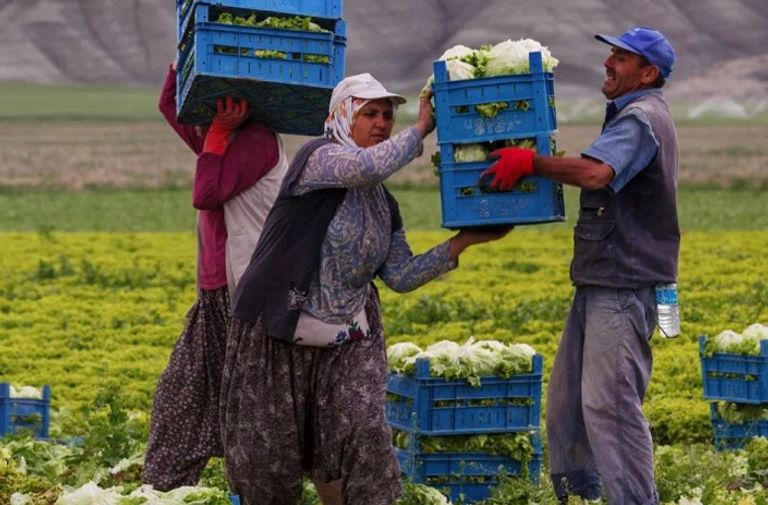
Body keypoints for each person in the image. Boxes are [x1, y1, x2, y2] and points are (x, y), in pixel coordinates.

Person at [219, 72, 510, 505]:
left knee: (364, 428)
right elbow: (365, 166)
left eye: (388, 116)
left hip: (347, 336)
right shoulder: (317, 159)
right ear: (341, 117)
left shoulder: (382, 203)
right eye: (370, 113)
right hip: (279, 330)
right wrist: (423, 128)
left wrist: (464, 241)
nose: (381, 124)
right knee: (270, 457)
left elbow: (400, 275)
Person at [482, 26, 679, 505]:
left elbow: (596, 172)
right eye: (611, 53)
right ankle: (583, 497)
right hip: (600, 279)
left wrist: (531, 163)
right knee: (568, 407)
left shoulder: (641, 117)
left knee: (610, 409)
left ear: (648, 73)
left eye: (622, 57)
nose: (609, 62)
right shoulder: (627, 116)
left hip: (624, 285)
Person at [142, 61, 288, 490]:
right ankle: (162, 490)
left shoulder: (257, 140)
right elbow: (169, 105)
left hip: (243, 293)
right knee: (182, 393)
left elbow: (205, 195)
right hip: (215, 294)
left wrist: (220, 134)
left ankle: (259, 489)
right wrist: (181, 57)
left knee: (246, 401)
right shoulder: (222, 140)